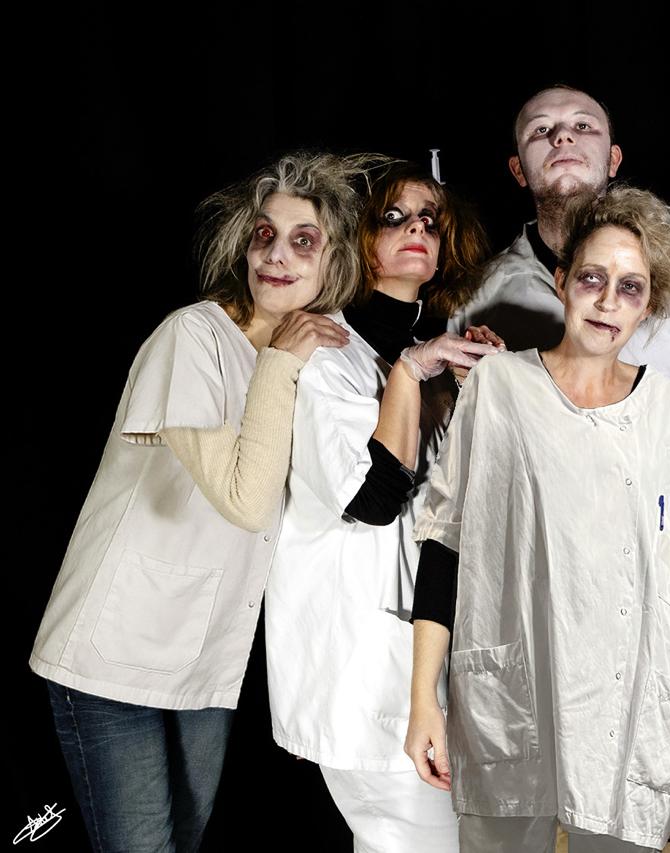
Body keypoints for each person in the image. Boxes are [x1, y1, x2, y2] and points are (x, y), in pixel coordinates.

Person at [449, 86, 670, 847]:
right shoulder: (485, 296)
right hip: (537, 663)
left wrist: (646, 535)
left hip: (660, 645)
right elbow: (460, 500)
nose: (563, 138)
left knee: (662, 819)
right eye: (542, 130)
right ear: (517, 167)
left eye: (583, 127)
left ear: (614, 157)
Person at [29, 151, 362, 852]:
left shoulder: (321, 358)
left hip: (207, 655)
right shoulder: (194, 335)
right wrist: (280, 362)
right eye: (264, 235)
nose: (276, 254)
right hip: (115, 651)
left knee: (184, 841)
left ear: (334, 261)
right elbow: (246, 500)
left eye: (303, 240)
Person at [264, 160, 502, 852]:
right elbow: (371, 499)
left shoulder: (436, 351)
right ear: (358, 238)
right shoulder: (326, 349)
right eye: (393, 218)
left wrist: (482, 395)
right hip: (360, 670)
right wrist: (410, 371)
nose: (416, 230)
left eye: (430, 220)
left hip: (424, 668)